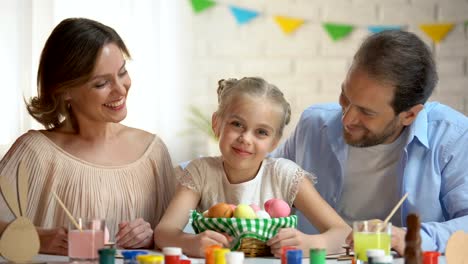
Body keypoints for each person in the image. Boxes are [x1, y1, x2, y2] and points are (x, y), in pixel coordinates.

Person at [272, 30, 468, 255]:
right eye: (345, 97)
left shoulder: (452, 137)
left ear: (409, 115)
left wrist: (410, 236)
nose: (346, 119)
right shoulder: (314, 126)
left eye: (366, 112)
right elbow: (260, 183)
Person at [0, 18, 176, 255]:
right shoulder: (34, 153)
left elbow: (175, 239)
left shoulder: (152, 153)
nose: (121, 89)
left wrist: (151, 237)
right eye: (102, 83)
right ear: (65, 91)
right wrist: (34, 237)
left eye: (122, 72)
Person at [154, 77, 351, 257]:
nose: (245, 138)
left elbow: (344, 234)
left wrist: (310, 243)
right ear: (217, 124)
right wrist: (189, 243)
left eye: (261, 132)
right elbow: (164, 232)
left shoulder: (284, 176)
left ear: (274, 142)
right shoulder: (200, 172)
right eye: (237, 124)